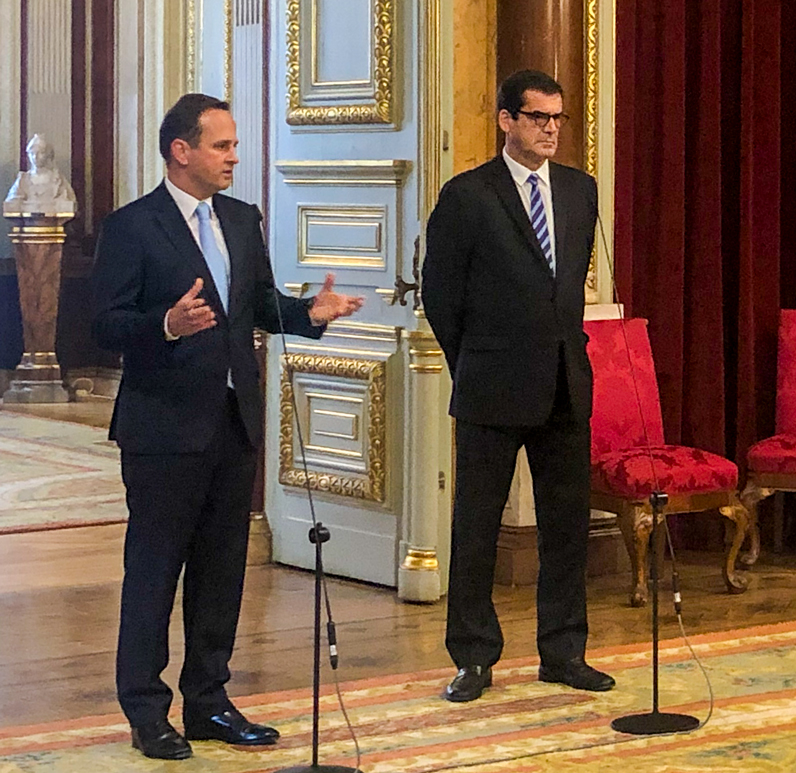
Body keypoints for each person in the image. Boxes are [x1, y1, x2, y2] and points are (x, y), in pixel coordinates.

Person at [91, 93, 363, 760]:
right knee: (154, 573)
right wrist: (164, 324)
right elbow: (103, 325)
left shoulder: (242, 219)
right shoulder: (132, 226)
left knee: (221, 573)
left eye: (235, 145)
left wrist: (309, 313)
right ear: (181, 151)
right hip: (162, 430)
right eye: (222, 145)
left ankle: (209, 701)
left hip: (234, 423)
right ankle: (146, 711)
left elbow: (259, 304)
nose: (234, 157)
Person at [422, 69, 614, 702]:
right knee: (477, 526)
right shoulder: (468, 195)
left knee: (567, 527)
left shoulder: (580, 191)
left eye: (558, 118)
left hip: (564, 382)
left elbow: (567, 288)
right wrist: (473, 362)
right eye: (538, 118)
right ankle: (474, 656)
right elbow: (440, 295)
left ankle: (564, 651)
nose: (551, 129)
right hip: (491, 384)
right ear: (506, 120)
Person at [3, 133, 76, 215]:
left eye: (40, 153)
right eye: (32, 153)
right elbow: (11, 202)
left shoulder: (58, 180)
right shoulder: (23, 180)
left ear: (48, 155)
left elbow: (67, 201)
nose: (35, 157)